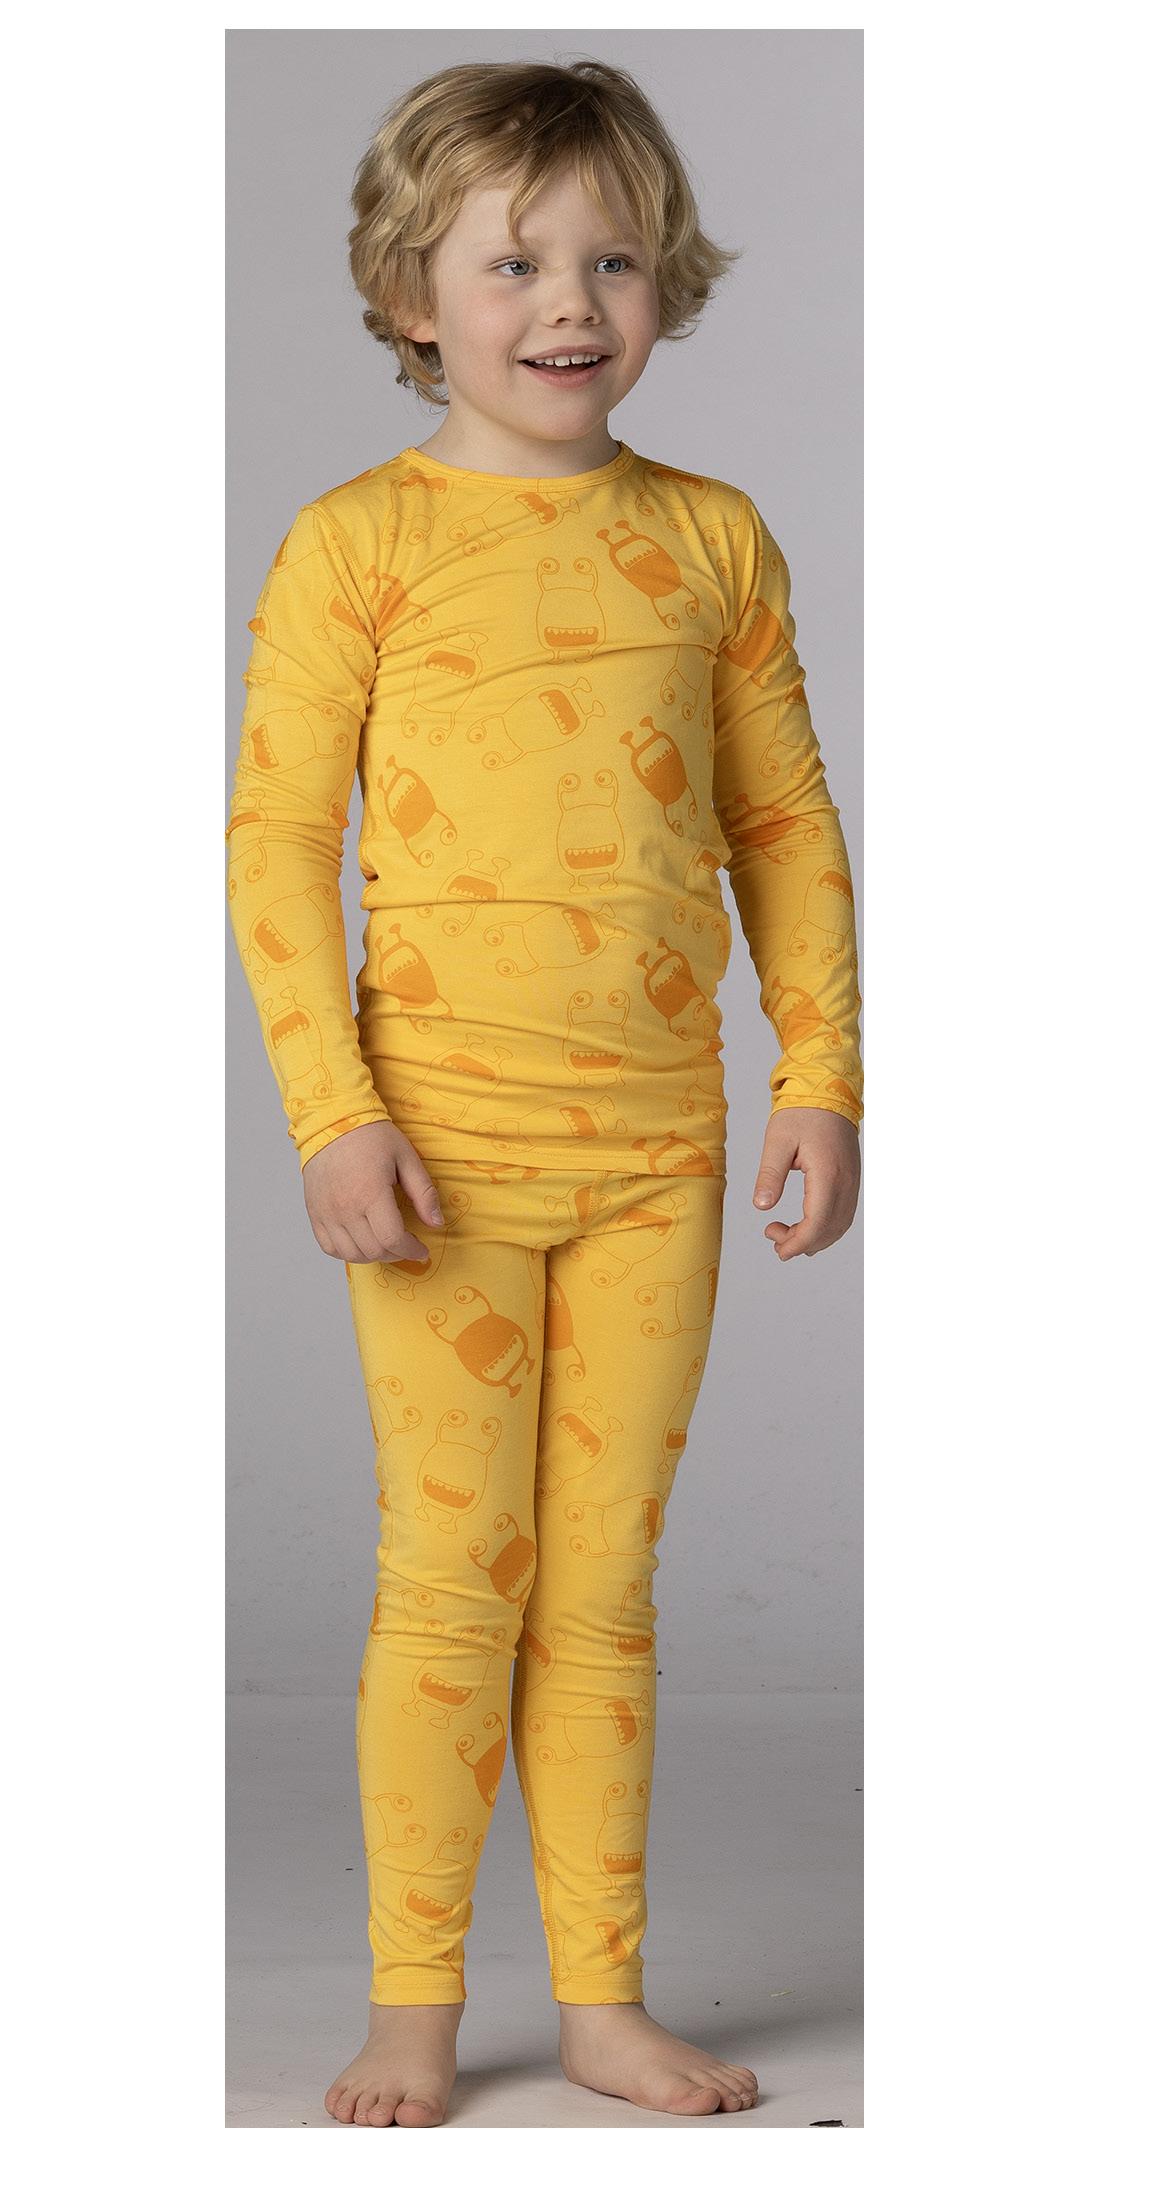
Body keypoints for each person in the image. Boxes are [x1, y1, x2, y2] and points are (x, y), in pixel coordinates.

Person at [226, 56, 863, 2129]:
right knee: (451, 1579)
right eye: (511, 262)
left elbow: (782, 826)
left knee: (600, 1593)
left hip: (659, 1150)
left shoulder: (712, 539)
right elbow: (275, 842)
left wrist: (823, 1070)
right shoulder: (359, 546)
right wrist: (331, 1111)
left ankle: (602, 1999)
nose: (569, 301)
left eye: (612, 259)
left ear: (664, 278)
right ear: (408, 292)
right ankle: (414, 2003)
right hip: (440, 1155)